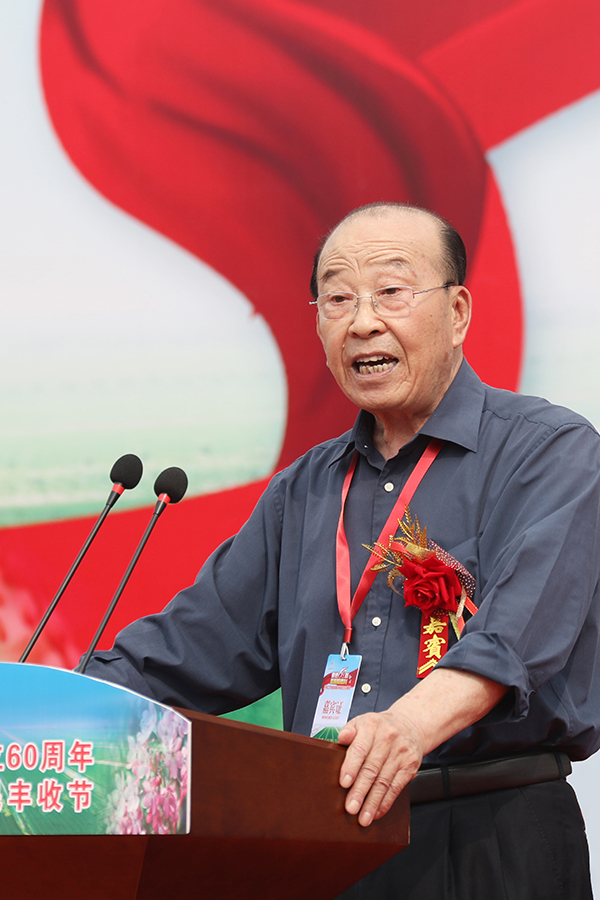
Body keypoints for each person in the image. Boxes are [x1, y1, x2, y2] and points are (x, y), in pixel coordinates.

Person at [84, 202, 599, 898]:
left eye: (391, 291)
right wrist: (43, 705)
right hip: (330, 841)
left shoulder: (549, 451)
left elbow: (520, 634)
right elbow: (187, 649)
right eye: (337, 299)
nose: (362, 322)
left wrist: (407, 726)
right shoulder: (304, 490)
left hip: (491, 834)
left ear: (458, 312)